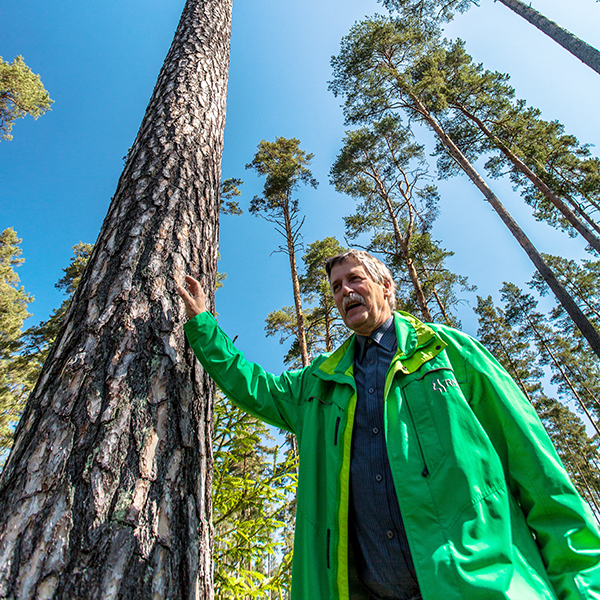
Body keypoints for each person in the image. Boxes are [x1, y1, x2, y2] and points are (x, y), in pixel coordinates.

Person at [178, 249, 600, 600]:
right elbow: (252, 385)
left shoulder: (450, 353)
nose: (345, 291)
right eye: (337, 287)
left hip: (482, 585)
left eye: (355, 279)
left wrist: (583, 586)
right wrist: (203, 325)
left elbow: (538, 472)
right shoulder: (318, 384)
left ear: (386, 287)